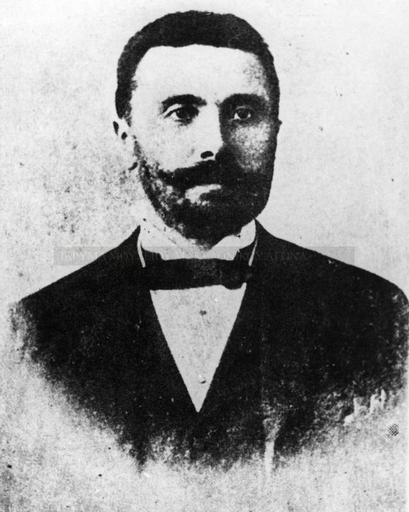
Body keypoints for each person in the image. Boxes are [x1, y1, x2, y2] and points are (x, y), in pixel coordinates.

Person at [11, 11, 408, 468]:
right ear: (126, 139)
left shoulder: (373, 313)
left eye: (244, 114)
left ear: (275, 134)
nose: (215, 144)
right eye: (181, 113)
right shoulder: (34, 332)